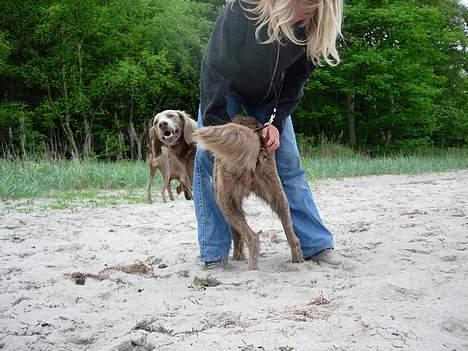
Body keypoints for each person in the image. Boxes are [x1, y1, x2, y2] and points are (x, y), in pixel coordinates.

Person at [194, 0, 343, 268]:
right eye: (299, 8)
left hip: (269, 98)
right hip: (226, 89)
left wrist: (276, 120)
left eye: (309, 13)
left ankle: (315, 245)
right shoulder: (243, 7)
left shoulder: (312, 28)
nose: (299, 19)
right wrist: (218, 123)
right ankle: (214, 254)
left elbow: (296, 82)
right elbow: (215, 65)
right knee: (207, 161)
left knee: (289, 164)